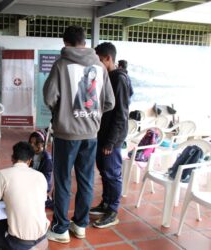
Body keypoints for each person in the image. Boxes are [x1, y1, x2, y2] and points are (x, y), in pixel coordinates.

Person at [43, 26, 115, 243]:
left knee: (63, 181)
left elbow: (49, 97)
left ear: (65, 43)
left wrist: (63, 110)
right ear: (85, 42)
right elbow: (110, 102)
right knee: (86, 180)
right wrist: (91, 114)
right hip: (91, 134)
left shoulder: (61, 65)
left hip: (66, 134)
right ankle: (81, 225)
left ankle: (61, 228)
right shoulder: (101, 67)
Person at [0, 141, 49, 250]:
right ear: (29, 161)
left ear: (12, 158)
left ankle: (20, 246)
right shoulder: (41, 176)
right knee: (11, 223)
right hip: (42, 235)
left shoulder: (1, 175)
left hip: (19, 241)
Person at [90, 43, 133, 228]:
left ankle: (113, 211)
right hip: (102, 134)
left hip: (111, 139)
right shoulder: (107, 76)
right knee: (104, 171)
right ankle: (106, 203)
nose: (97, 64)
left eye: (99, 60)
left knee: (112, 174)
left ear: (108, 59)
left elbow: (121, 114)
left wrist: (110, 142)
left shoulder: (119, 79)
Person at [28, 130, 54, 208]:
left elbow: (47, 179)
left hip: (39, 186)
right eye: (30, 143)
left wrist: (45, 191)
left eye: (35, 143)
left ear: (42, 143)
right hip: (30, 183)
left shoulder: (47, 158)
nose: (32, 145)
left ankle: (48, 201)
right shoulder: (29, 154)